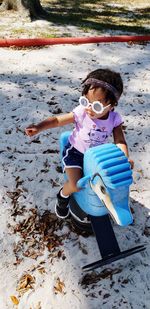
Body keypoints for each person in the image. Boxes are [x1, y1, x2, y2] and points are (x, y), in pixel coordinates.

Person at [25, 68, 134, 220]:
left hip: (96, 157)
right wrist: (39, 127)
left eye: (97, 106)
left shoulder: (114, 119)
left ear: (112, 105)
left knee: (104, 183)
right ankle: (62, 197)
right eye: (86, 101)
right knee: (76, 185)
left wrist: (124, 158)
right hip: (75, 153)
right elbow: (57, 121)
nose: (89, 108)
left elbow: (120, 141)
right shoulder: (82, 112)